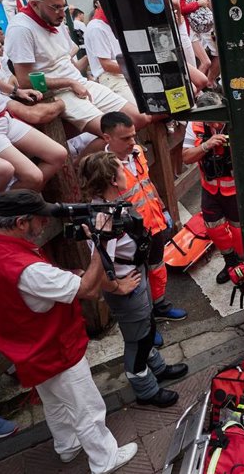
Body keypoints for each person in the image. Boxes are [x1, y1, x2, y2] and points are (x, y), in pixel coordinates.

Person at [0, 189, 138, 473]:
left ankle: (67, 445)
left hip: (26, 346)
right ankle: (104, 458)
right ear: (21, 222)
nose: (45, 225)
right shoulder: (27, 269)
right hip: (54, 345)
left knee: (55, 404)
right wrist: (101, 242)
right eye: (40, 220)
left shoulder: (5, 251)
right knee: (87, 406)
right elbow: (87, 289)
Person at [78, 152, 188, 407]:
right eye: (120, 170)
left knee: (146, 329)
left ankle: (157, 369)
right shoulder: (104, 219)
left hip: (136, 277)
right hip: (128, 287)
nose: (125, 173)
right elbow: (99, 268)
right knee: (137, 341)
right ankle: (146, 389)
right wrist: (117, 286)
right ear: (113, 180)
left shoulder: (111, 205)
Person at [6, 0, 149, 140]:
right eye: (55, 7)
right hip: (57, 94)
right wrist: (69, 82)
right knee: (114, 134)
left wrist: (82, 77)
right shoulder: (21, 28)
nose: (62, 13)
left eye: (63, 6)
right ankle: (81, 163)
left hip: (79, 83)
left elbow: (66, 59)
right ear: (34, 5)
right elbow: (25, 80)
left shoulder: (56, 20)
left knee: (139, 119)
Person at [100, 113, 187, 334]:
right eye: (125, 138)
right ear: (106, 138)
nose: (132, 142)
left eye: (133, 136)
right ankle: (147, 323)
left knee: (157, 267)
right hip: (131, 237)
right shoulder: (105, 169)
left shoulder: (137, 152)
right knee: (139, 278)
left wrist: (164, 209)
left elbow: (147, 182)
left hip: (154, 223)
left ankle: (159, 306)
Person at [182, 93, 244, 284]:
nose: (215, 126)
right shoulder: (194, 125)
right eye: (210, 121)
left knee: (239, 230)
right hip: (210, 189)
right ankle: (230, 262)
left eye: (217, 120)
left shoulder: (236, 120)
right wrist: (206, 146)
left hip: (235, 190)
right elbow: (186, 157)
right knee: (214, 228)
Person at [0, 77, 67, 192]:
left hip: (5, 119)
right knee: (34, 177)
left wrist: (16, 91)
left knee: (58, 154)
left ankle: (20, 201)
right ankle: (8, 206)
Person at [84, 7, 136, 105]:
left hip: (124, 74)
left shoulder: (110, 24)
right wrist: (134, 69)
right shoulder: (97, 27)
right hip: (111, 78)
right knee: (142, 115)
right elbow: (106, 65)